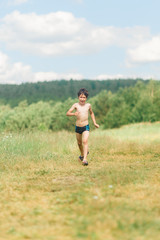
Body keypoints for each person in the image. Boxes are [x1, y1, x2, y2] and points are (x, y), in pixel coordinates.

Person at [66, 88, 99, 166]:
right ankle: (82, 154)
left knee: (85, 141)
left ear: (86, 98)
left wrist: (94, 123)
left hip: (85, 126)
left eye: (84, 97)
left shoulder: (88, 105)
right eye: (81, 97)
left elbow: (91, 113)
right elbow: (67, 113)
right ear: (78, 97)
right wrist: (74, 114)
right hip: (78, 127)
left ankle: (85, 159)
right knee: (79, 143)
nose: (82, 99)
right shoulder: (75, 105)